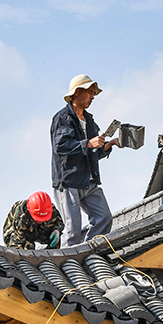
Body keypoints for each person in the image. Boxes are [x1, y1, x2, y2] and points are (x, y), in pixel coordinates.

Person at [51, 74, 122, 246]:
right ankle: (68, 268)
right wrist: (88, 143)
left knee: (104, 218)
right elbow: (60, 146)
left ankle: (89, 253)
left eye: (93, 93)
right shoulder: (63, 118)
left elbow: (94, 153)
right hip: (69, 181)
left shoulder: (90, 121)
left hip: (88, 181)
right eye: (90, 92)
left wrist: (110, 144)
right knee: (72, 232)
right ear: (77, 93)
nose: (92, 97)